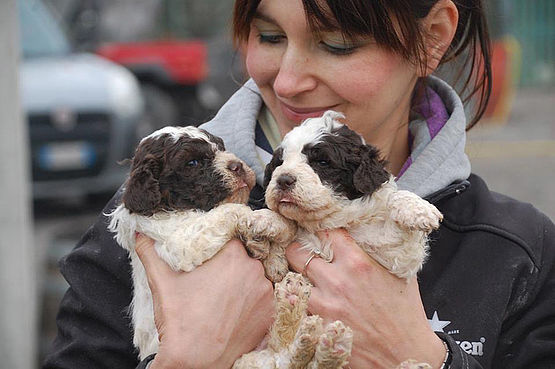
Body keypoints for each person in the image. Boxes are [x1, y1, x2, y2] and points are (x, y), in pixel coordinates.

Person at [43, 0, 555, 368]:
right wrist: (189, 359)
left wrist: (421, 358)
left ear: (433, 37)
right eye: (268, 37)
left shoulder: (514, 251)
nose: (287, 81)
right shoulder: (151, 216)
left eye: (336, 44)